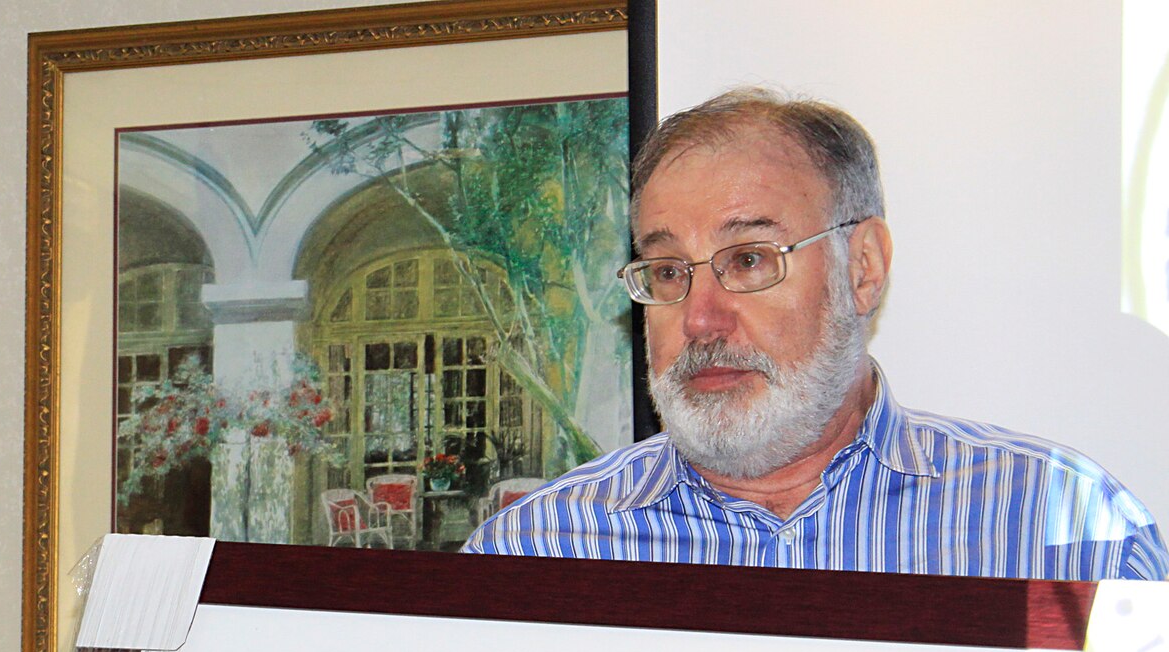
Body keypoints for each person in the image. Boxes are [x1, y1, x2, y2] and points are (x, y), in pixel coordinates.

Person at [466, 88, 1168, 580]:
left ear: (862, 270)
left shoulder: (1066, 532)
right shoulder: (533, 551)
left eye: (748, 260)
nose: (701, 318)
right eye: (670, 270)